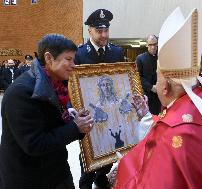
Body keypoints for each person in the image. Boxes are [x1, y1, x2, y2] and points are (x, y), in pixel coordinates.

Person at [113, 8, 202, 189]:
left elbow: (150, 182)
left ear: (165, 86)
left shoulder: (176, 133)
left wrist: (123, 169)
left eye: (158, 77)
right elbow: (173, 122)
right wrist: (146, 116)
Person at [0, 34, 94, 189]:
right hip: (29, 179)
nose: (74, 64)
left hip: (57, 172)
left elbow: (57, 126)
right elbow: (34, 144)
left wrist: (79, 123)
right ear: (49, 58)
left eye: (73, 59)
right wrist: (75, 127)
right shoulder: (21, 93)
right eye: (68, 59)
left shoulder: (59, 86)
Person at [75, 9, 124, 189]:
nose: (104, 35)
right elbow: (73, 86)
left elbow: (121, 82)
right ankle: (86, 183)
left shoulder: (116, 52)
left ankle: (101, 176)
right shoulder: (79, 54)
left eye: (106, 31)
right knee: (88, 153)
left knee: (110, 147)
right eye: (99, 31)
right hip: (89, 114)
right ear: (90, 31)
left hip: (111, 112)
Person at [136, 35, 161, 115]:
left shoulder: (161, 57)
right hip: (147, 95)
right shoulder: (140, 58)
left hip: (161, 95)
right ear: (147, 45)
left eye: (155, 44)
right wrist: (151, 87)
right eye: (150, 45)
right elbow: (138, 76)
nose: (153, 47)